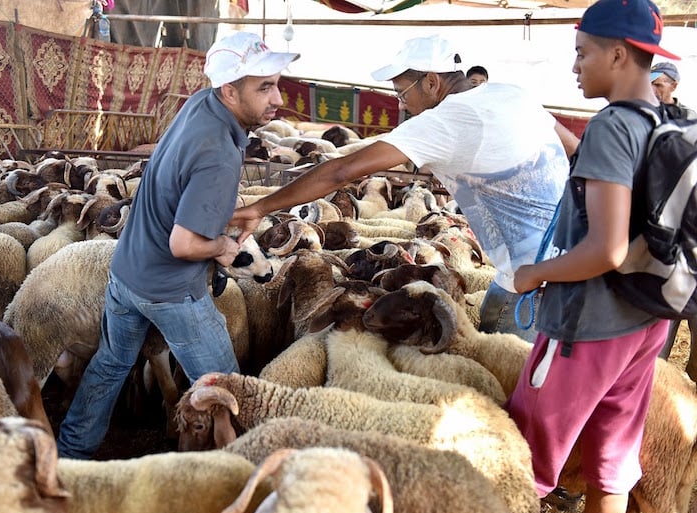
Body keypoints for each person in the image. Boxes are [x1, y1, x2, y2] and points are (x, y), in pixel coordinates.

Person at [231, 34, 578, 343]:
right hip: (578, 260)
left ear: (431, 82)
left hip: (533, 283)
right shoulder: (512, 94)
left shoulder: (444, 121)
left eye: (402, 92)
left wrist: (259, 208)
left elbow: (341, 171)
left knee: (515, 390)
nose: (400, 104)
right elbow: (576, 148)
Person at [56, 31, 299, 459]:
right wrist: (223, 247)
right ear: (229, 89)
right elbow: (185, 243)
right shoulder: (219, 154)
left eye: (276, 83)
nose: (278, 97)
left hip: (127, 271)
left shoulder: (198, 107)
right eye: (264, 87)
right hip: (171, 292)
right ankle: (238, 469)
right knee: (224, 388)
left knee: (111, 364)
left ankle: (71, 455)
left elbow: (178, 192)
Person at [506, 0, 676, 513]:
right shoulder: (667, 118)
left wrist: (535, 275)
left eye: (582, 54)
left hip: (588, 325)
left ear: (619, 54)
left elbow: (606, 250)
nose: (575, 67)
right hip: (646, 320)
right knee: (612, 465)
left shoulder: (612, 126)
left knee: (518, 463)